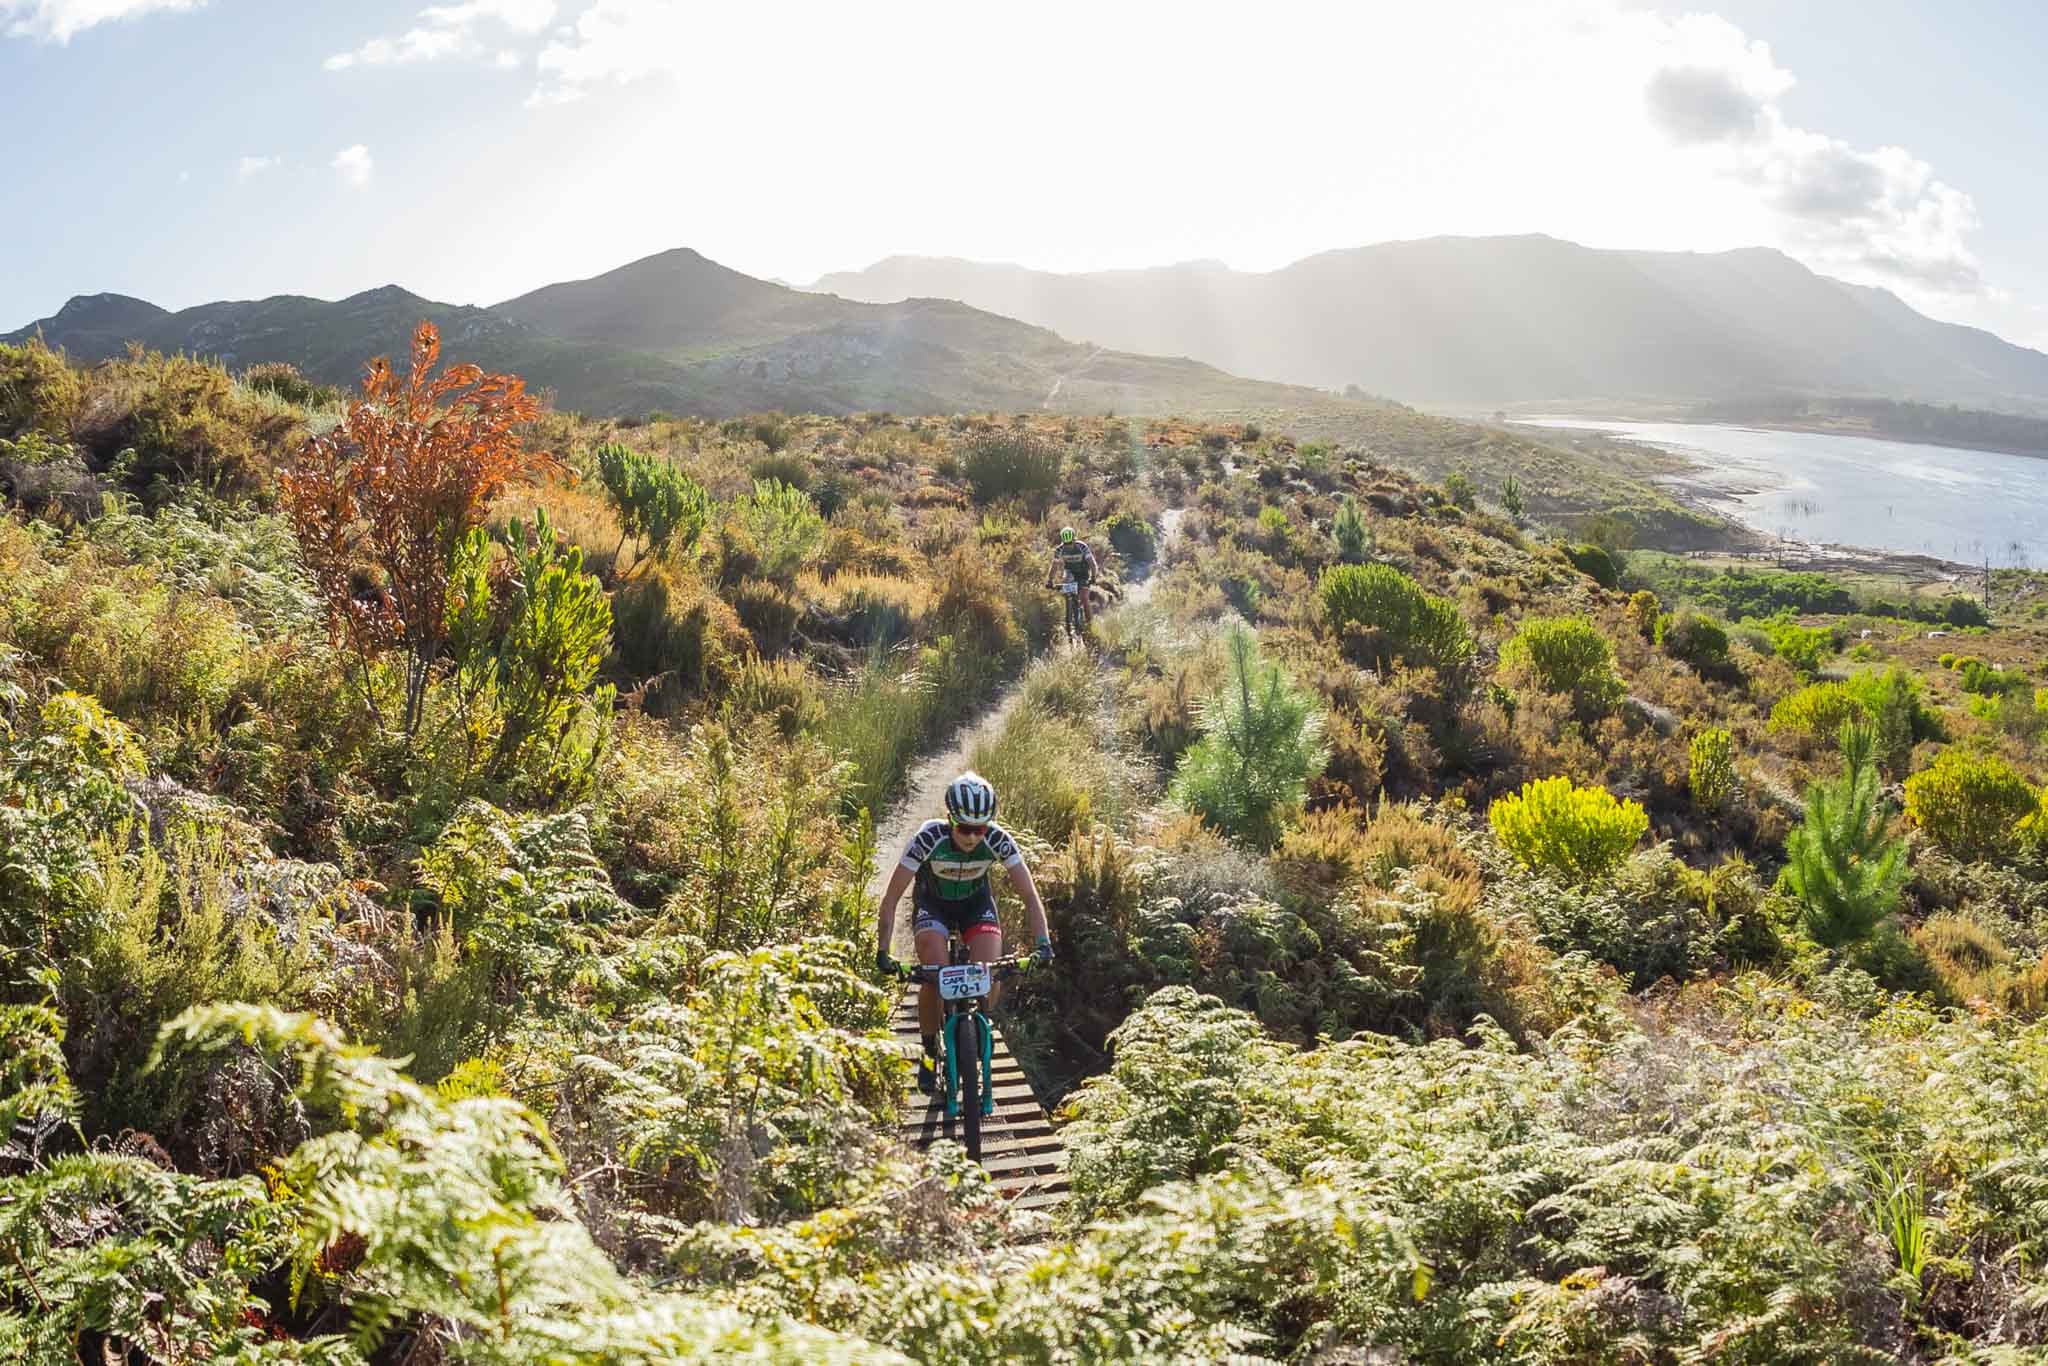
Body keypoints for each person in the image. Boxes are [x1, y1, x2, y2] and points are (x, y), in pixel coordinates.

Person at [874, 771, 1054, 1094]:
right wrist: (883, 950)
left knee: (990, 971)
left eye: (980, 829)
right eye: (965, 828)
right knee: (934, 974)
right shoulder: (929, 838)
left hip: (975, 906)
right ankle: (929, 1053)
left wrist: (1044, 943)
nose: (972, 837)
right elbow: (891, 898)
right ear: (949, 818)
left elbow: (1029, 894)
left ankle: (982, 1024)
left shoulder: (998, 840)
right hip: (934, 906)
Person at [1044, 525, 1101, 629]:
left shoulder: (1082, 546)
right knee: (1066, 583)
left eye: (1070, 543)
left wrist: (1092, 578)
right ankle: (1069, 609)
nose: (1068, 546)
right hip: (1070, 572)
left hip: (1083, 573)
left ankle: (1090, 625)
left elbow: (1092, 564)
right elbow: (1054, 566)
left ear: (1074, 540)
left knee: (1084, 598)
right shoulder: (1059, 549)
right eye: (1066, 544)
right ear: (1063, 542)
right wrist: (1050, 580)